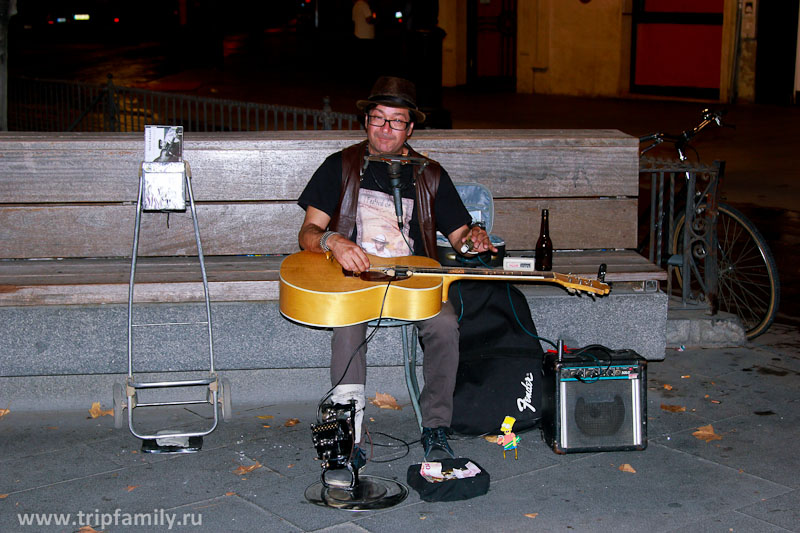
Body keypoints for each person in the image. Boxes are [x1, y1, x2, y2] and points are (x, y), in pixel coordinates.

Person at [297, 76, 496, 487]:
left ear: (410, 128)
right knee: (346, 325)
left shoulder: (431, 175)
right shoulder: (340, 166)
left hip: (412, 282)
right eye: (377, 119)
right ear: (366, 121)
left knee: (444, 323)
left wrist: (472, 239)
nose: (385, 130)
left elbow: (460, 236)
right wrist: (333, 240)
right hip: (355, 278)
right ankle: (345, 437)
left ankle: (436, 427)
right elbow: (308, 232)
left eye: (396, 122)